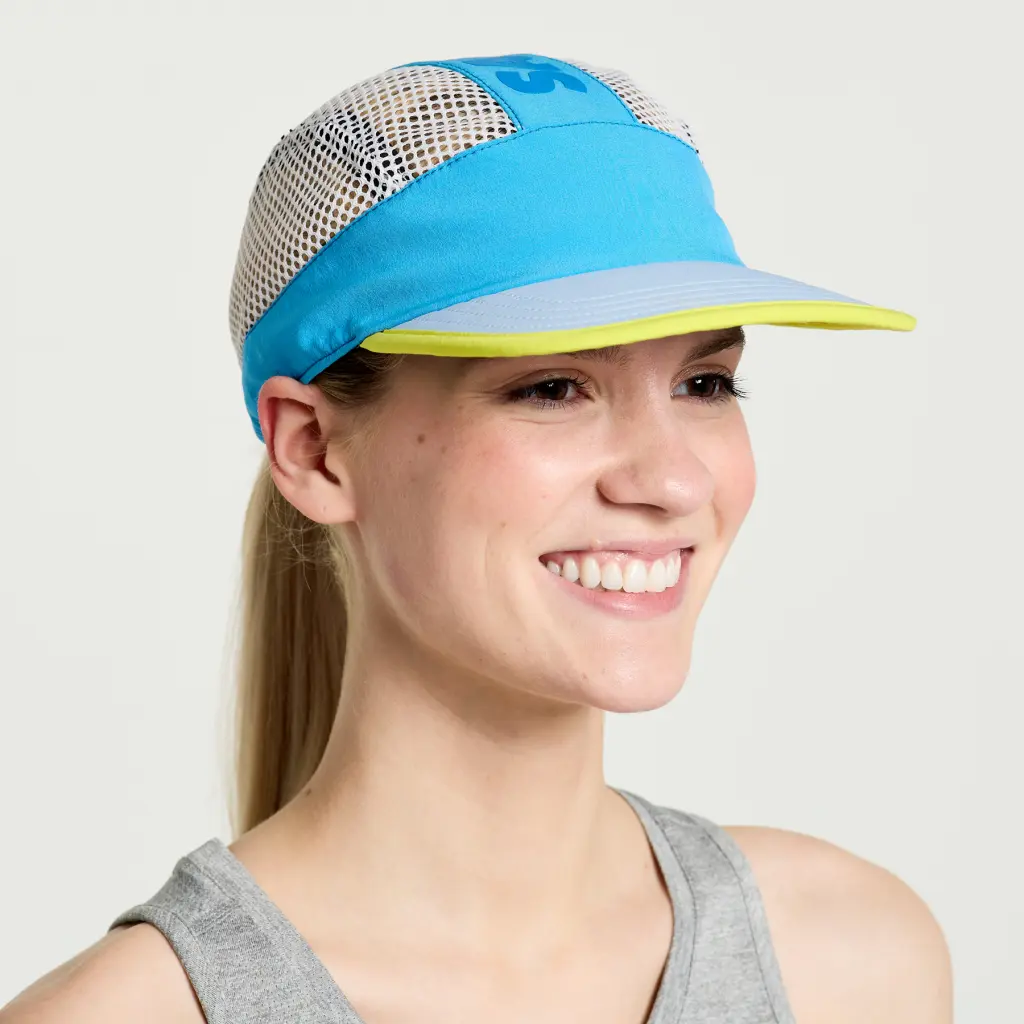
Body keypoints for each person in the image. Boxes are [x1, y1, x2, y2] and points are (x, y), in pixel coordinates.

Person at [2, 52, 952, 1024]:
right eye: (553, 388)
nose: (673, 481)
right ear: (315, 450)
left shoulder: (851, 964)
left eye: (704, 383)